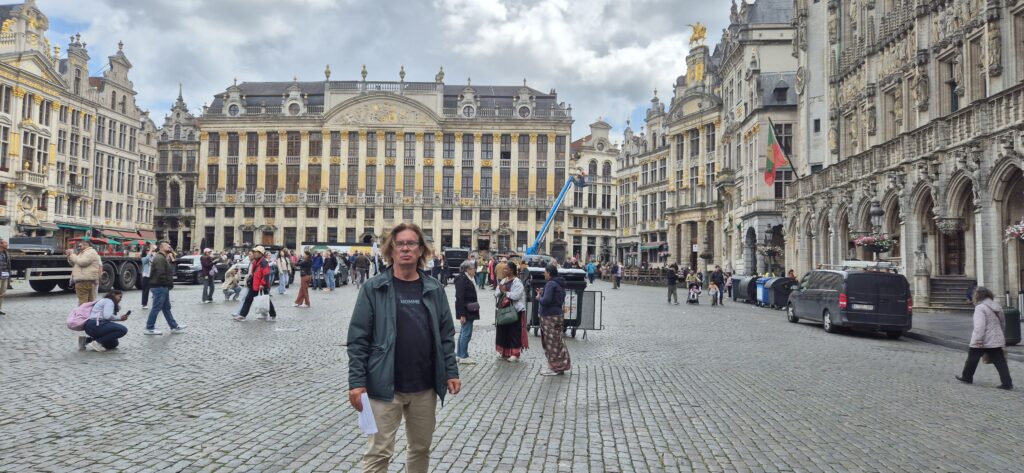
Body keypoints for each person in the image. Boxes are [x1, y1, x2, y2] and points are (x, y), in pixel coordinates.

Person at [347, 223, 460, 473]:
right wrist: (356, 382)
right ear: (391, 250)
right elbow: (358, 339)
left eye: (411, 243)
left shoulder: (434, 288)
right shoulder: (373, 288)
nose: (406, 248)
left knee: (420, 449)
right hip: (384, 385)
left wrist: (451, 371)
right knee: (379, 452)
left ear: (421, 250)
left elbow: (446, 335)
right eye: (400, 244)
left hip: (425, 386)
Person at [956, 286, 1013, 390]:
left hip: (983, 339)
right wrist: (1000, 334)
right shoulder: (996, 306)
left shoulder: (980, 308)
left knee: (972, 358)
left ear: (977, 296)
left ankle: (967, 377)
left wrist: (978, 339)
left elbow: (980, 326)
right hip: (995, 337)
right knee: (1000, 361)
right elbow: (1002, 323)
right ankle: (1007, 383)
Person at [145, 241, 186, 335]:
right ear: (161, 248)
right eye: (168, 246)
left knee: (166, 308)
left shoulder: (163, 257)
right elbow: (160, 273)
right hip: (160, 286)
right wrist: (166, 284)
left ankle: (174, 326)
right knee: (156, 308)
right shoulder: (160, 258)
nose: (170, 247)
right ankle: (150, 328)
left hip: (162, 286)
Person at [536, 264, 570, 376]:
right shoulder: (559, 283)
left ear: (549, 273)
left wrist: (539, 297)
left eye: (545, 272)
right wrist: (543, 293)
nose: (544, 274)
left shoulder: (550, 284)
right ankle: (560, 365)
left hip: (549, 316)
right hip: (557, 315)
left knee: (551, 342)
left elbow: (546, 301)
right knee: (557, 341)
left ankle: (555, 367)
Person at [495, 262, 528, 361]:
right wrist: (500, 291)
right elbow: (496, 292)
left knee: (514, 332)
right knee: (502, 331)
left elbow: (517, 295)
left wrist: (506, 293)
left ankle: (515, 354)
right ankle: (503, 352)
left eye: (506, 269)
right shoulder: (503, 280)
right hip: (503, 310)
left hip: (515, 310)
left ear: (512, 270)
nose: (504, 270)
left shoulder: (517, 282)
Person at [233, 246, 277, 321]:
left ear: (260, 253)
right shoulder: (256, 261)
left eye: (256, 252)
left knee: (266, 300)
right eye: (254, 252)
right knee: (248, 299)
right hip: (255, 284)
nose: (254, 253)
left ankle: (272, 315)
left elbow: (266, 274)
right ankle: (242, 315)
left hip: (261, 285)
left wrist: (262, 284)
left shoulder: (264, 262)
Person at [454, 260, 479, 364]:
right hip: (466, 311)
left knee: (464, 332)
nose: (475, 271)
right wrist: (462, 314)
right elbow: (460, 298)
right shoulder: (462, 279)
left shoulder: (466, 278)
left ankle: (459, 354)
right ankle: (463, 356)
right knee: (466, 333)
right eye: (473, 269)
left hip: (469, 310)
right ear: (468, 270)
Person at [67, 239, 102, 305]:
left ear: (86, 245)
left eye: (80, 245)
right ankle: (88, 311)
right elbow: (75, 263)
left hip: (84, 280)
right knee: (89, 302)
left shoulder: (90, 252)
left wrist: (72, 255)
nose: (79, 247)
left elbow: (82, 262)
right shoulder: (85, 252)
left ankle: (82, 312)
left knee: (83, 303)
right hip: (86, 280)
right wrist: (69, 256)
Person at [0, 239, 10, 315]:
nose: (7, 244)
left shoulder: (6, 252)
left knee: (2, 293)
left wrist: (9, 275)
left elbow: (8, 264)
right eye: (5, 243)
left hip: (4, 275)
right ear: (0, 244)